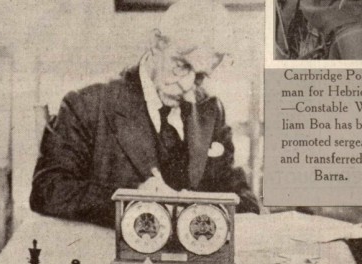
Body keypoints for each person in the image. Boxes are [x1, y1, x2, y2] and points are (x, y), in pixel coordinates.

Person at [30, 0, 260, 228]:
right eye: (181, 65)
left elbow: (244, 199)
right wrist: (131, 200)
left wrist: (196, 206)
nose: (187, 86)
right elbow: (47, 189)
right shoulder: (88, 104)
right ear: (156, 43)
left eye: (200, 76)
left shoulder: (210, 110)